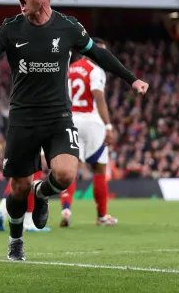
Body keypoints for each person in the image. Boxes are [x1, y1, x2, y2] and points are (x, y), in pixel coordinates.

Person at [0, 0, 148, 261]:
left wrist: (132, 78)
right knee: (18, 187)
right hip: (23, 118)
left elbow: (99, 54)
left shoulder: (68, 27)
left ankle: (42, 193)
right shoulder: (10, 27)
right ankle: (16, 240)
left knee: (65, 174)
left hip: (58, 117)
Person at [60, 38, 118, 227]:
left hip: (70, 120)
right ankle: (101, 216)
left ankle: (66, 209)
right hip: (92, 122)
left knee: (72, 169)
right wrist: (108, 126)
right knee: (100, 169)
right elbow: (99, 98)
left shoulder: (70, 68)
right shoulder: (96, 70)